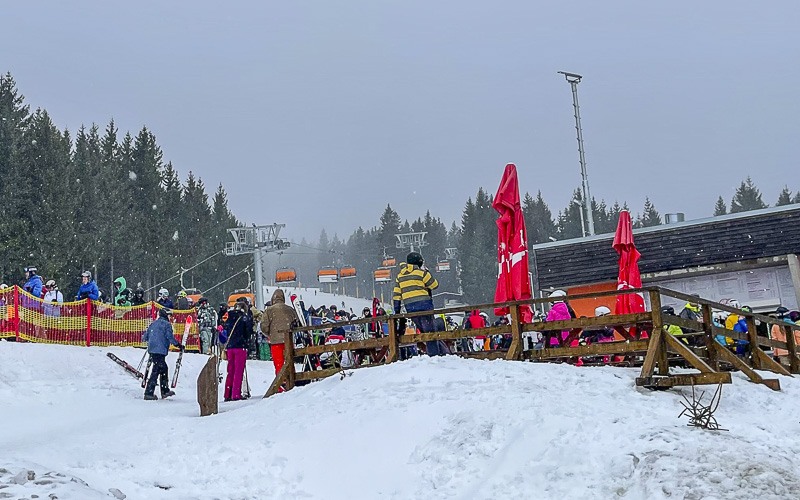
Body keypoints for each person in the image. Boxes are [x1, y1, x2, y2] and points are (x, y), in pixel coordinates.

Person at [393, 252, 440, 356]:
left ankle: (439, 352)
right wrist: (427, 272)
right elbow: (434, 285)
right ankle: (435, 355)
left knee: (424, 331)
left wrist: (397, 312)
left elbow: (396, 295)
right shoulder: (421, 273)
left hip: (410, 308)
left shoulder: (400, 276)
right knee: (430, 333)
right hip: (424, 306)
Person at [142, 308, 182, 400]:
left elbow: (145, 336)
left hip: (153, 350)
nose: (170, 317)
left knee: (162, 368)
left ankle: (164, 390)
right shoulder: (166, 325)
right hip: (160, 350)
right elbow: (170, 337)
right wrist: (178, 344)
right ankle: (149, 392)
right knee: (156, 370)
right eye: (169, 315)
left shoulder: (154, 323)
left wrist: (152, 340)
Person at [260, 289, 300, 377]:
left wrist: (270, 334)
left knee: (279, 364)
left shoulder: (269, 311)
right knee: (290, 362)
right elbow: (297, 323)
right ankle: (291, 380)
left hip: (275, 342)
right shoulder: (290, 309)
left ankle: (281, 383)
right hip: (288, 341)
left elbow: (263, 326)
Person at [224, 300, 253, 401]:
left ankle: (228, 393)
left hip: (230, 347)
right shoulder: (244, 318)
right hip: (240, 346)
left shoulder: (229, 317)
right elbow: (248, 332)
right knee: (238, 370)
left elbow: (226, 330)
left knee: (230, 370)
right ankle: (236, 394)